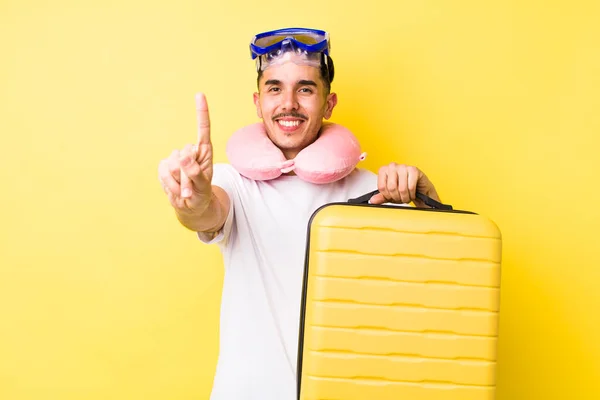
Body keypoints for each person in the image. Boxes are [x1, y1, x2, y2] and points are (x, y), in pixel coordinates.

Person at [157, 27, 442, 400]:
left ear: (328, 104)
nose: (288, 103)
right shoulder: (231, 182)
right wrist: (193, 203)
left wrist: (425, 197)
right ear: (258, 102)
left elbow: (434, 276)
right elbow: (208, 213)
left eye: (305, 89)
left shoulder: (373, 191)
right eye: (275, 88)